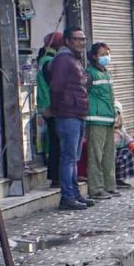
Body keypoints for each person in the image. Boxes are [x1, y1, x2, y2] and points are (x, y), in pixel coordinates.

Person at [49, 27, 93, 211]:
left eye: (83, 39)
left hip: (77, 113)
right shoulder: (63, 60)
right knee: (68, 158)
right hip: (67, 114)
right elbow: (57, 87)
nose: (81, 43)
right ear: (67, 41)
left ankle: (74, 193)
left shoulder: (74, 59)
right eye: (77, 39)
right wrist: (56, 108)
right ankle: (67, 196)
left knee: (74, 158)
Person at [84, 42, 119, 200]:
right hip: (96, 120)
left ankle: (109, 185)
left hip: (108, 119)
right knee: (95, 156)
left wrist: (116, 113)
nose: (106, 57)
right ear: (94, 57)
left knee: (108, 156)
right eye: (102, 54)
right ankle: (96, 189)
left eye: (108, 53)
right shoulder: (89, 74)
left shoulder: (106, 73)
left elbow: (110, 97)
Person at [37, 32, 64, 187]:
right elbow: (55, 85)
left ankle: (56, 176)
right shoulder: (50, 62)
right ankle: (56, 177)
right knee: (57, 143)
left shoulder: (43, 59)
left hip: (47, 105)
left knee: (54, 141)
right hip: (52, 107)